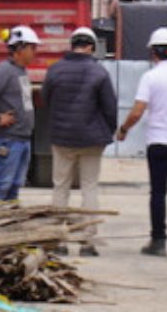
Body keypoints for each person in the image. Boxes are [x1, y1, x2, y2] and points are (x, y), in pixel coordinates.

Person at [116, 27, 167, 257]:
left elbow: (137, 111)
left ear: (154, 52)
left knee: (158, 192)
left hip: (159, 142)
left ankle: (159, 240)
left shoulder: (151, 77)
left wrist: (123, 129)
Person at [44, 26, 115, 252]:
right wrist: (108, 131)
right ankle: (87, 241)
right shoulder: (100, 73)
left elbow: (46, 99)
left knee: (60, 187)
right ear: (92, 47)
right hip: (93, 140)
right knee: (89, 187)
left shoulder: (55, 70)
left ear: (72, 45)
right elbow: (110, 108)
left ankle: (58, 240)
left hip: (62, 138)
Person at [0, 26, 40, 205]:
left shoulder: (20, 71)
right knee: (1, 183)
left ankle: (10, 214)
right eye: (32, 48)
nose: (34, 52)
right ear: (19, 49)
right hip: (7, 139)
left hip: (21, 138)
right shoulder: (5, 70)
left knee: (14, 184)